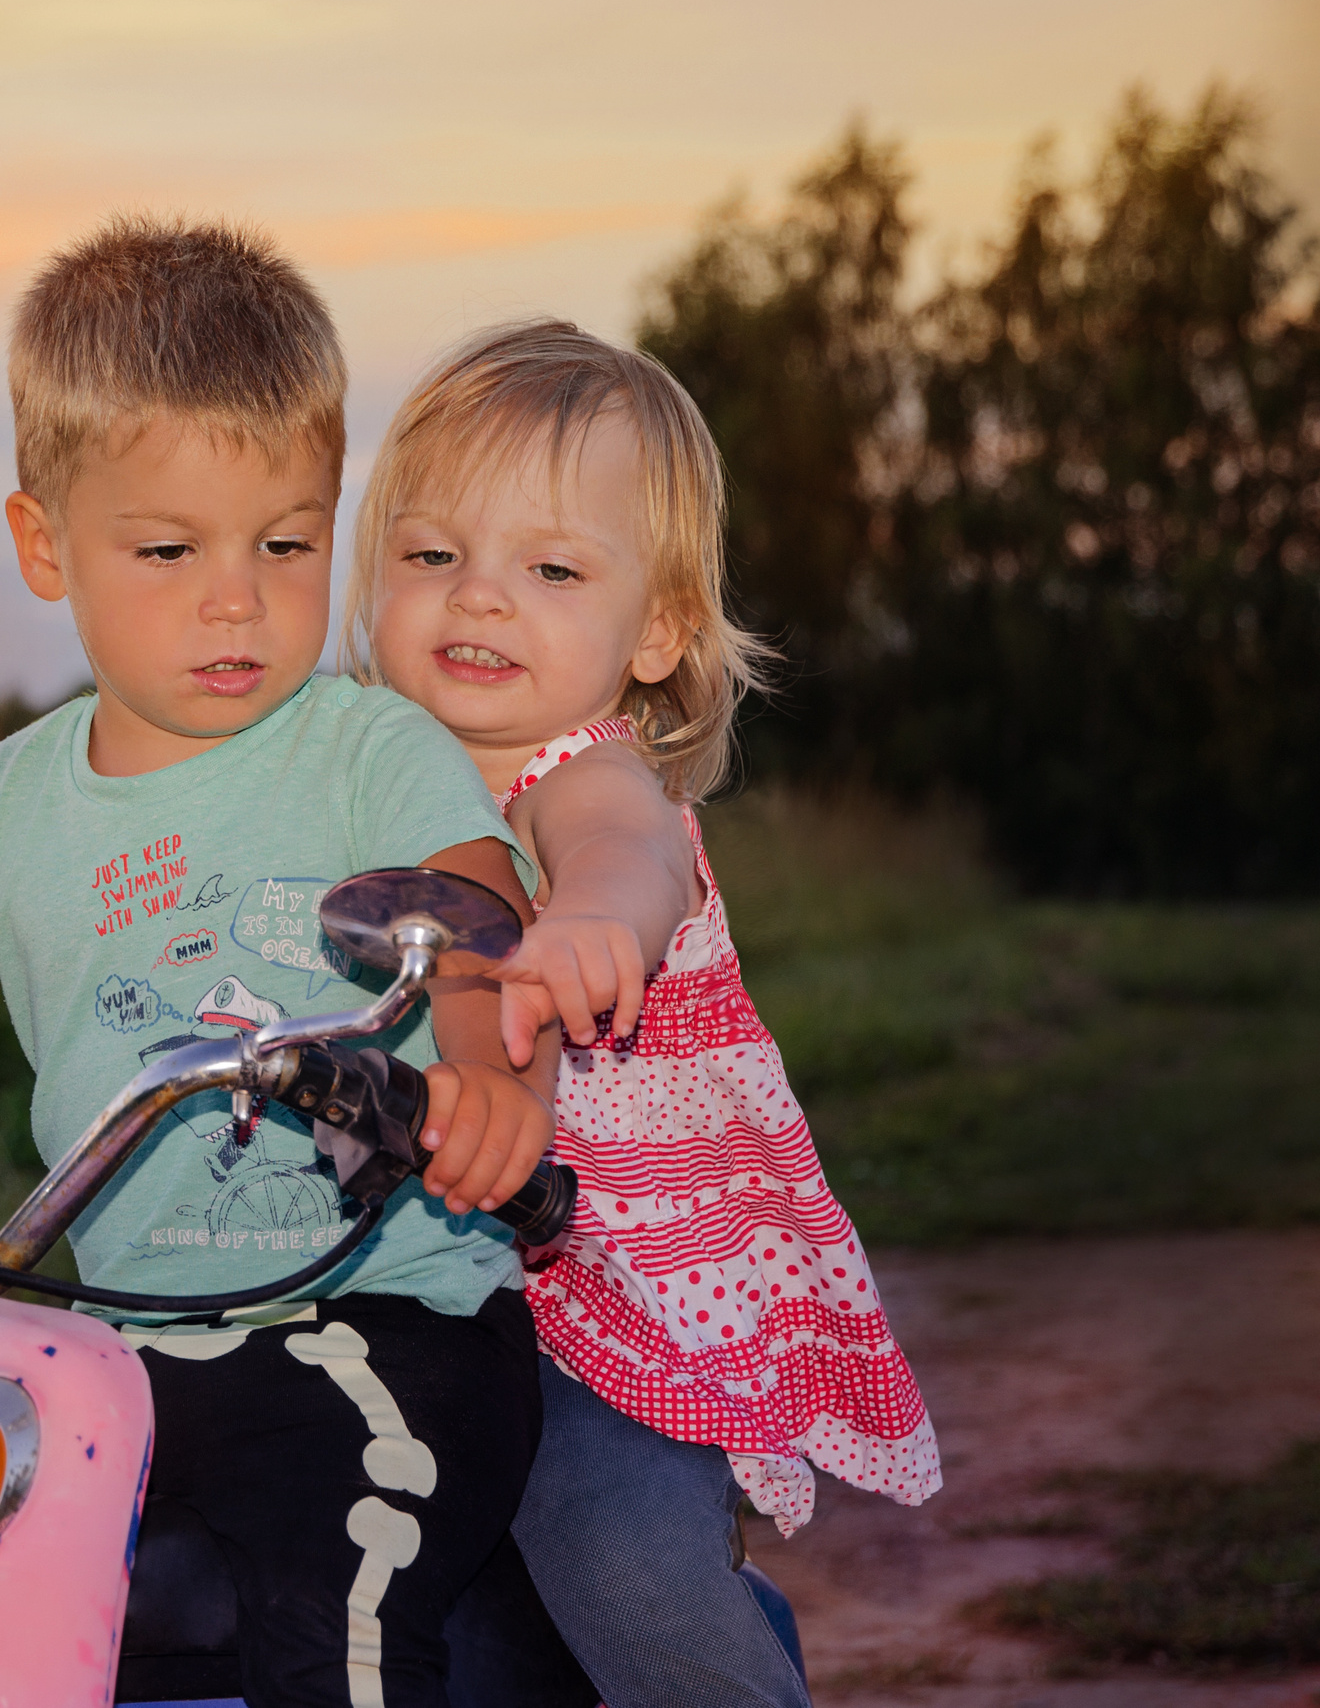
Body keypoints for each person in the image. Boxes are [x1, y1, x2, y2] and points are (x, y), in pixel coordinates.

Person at [0, 217, 558, 1707]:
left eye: (285, 542)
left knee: (337, 1610)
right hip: (128, 1357)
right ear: (42, 544)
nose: (236, 598)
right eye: (167, 549)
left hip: (380, 1327)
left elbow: (468, 914)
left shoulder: (367, 749)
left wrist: (485, 1075)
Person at [345, 319, 942, 1707]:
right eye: (434, 557)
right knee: (462, 1629)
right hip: (428, 1279)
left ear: (659, 628)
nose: (481, 600)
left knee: (623, 1567)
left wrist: (593, 922)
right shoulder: (362, 774)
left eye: (550, 569)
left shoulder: (580, 773)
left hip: (608, 1284)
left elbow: (631, 854)